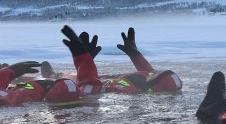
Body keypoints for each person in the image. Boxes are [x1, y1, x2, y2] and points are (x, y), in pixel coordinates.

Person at [52, 26, 182, 94]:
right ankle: (57, 74)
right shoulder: (149, 79)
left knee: (69, 79)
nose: (154, 72)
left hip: (93, 80)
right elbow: (149, 73)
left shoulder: (128, 89)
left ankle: (55, 75)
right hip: (100, 77)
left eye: (156, 75)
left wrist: (84, 60)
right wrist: (135, 54)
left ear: (153, 84)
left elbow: (87, 89)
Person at [1, 60, 84, 107]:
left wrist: (6, 74)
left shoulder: (30, 92)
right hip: (45, 86)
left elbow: (9, 95)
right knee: (63, 80)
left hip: (37, 87)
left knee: (21, 85)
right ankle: (52, 75)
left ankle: (17, 80)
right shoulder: (80, 94)